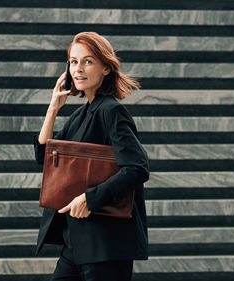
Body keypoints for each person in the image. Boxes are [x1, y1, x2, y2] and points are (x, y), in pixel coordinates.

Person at [34, 32, 149, 281]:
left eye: (88, 61)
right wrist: (52, 109)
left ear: (106, 68)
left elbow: (137, 168)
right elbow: (45, 158)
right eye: (73, 62)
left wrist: (89, 198)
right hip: (75, 244)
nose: (78, 69)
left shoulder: (111, 111)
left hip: (106, 245)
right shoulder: (79, 116)